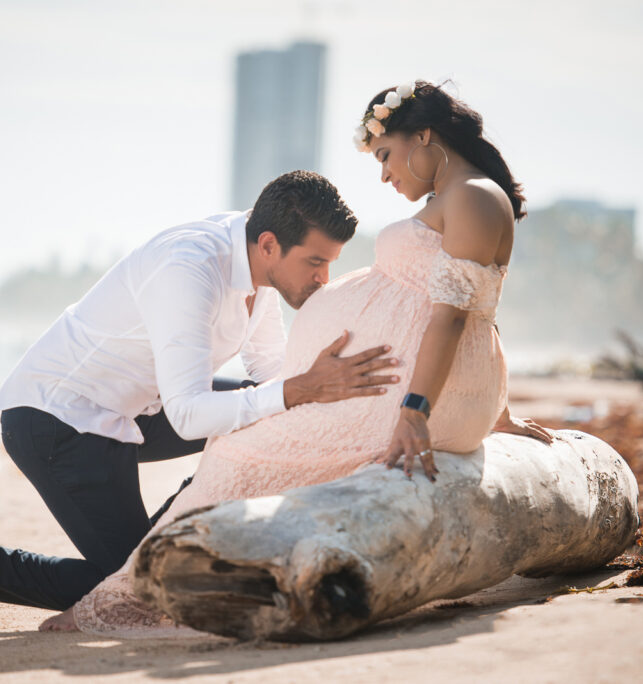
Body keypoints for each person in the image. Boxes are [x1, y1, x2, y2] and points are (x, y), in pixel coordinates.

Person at [54, 80, 553, 636]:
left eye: (386, 156)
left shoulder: (471, 196)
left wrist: (416, 409)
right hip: (424, 391)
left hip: (411, 395)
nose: (385, 175)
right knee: (248, 439)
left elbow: (458, 317)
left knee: (237, 451)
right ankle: (167, 578)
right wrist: (494, 408)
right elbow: (478, 308)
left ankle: (153, 592)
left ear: (425, 137)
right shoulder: (462, 197)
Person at [0, 170, 404, 635]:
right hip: (59, 421)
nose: (323, 279)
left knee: (269, 411)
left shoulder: (258, 265)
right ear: (269, 243)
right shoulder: (190, 269)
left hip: (137, 410)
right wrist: (298, 392)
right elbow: (192, 413)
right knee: (139, 584)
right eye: (315, 262)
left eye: (329, 264)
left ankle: (184, 518)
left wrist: (332, 396)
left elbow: (269, 370)